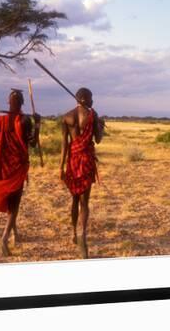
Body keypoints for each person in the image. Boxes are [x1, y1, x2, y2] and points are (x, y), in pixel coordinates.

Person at [0, 88, 41, 256]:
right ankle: (5, 238)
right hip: (17, 168)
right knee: (15, 205)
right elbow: (33, 143)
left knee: (11, 202)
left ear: (8, 103)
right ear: (22, 103)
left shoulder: (0, 121)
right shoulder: (25, 121)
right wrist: (38, 124)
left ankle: (15, 234)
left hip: (2, 167)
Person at [59, 87, 104, 259]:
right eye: (91, 98)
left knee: (74, 199)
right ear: (84, 98)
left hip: (72, 162)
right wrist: (99, 124)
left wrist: (61, 167)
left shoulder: (67, 116)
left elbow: (65, 145)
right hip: (86, 161)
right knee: (85, 202)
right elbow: (98, 140)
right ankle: (82, 235)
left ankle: (73, 233)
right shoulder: (92, 116)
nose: (93, 101)